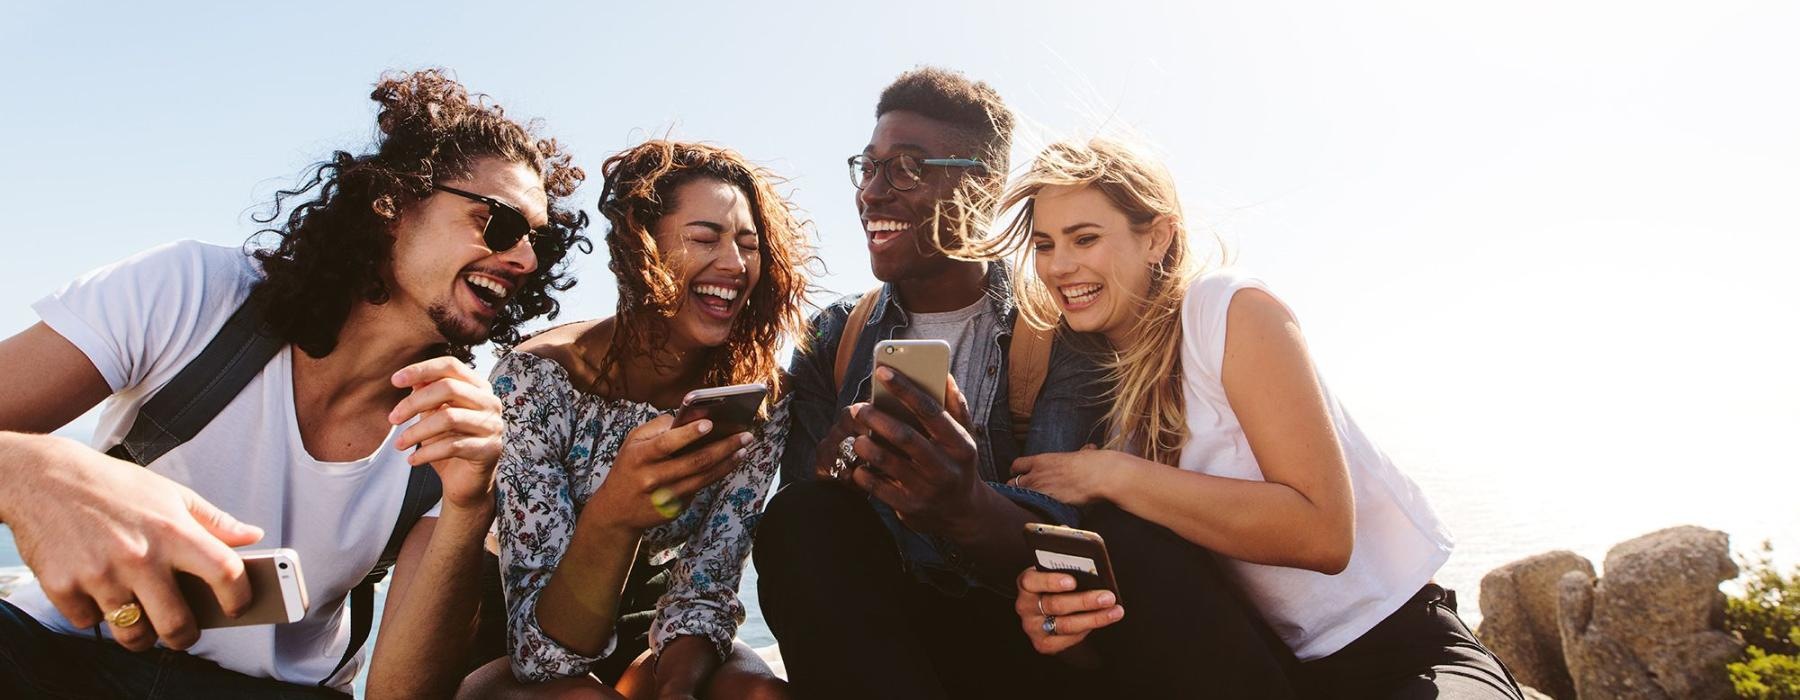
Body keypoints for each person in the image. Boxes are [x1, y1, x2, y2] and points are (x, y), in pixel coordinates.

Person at [0, 69, 589, 697]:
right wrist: (32, 469)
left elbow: (401, 693)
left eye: (540, 241)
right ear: (391, 203)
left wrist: (470, 507)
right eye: (499, 224)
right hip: (58, 653)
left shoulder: (455, 430)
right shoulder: (193, 293)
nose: (525, 259)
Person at [977, 138, 1523, 699]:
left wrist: (1116, 476)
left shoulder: (1227, 309)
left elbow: (1324, 535)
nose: (1060, 266)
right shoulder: (1099, 404)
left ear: (1157, 236)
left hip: (1402, 648)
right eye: (1044, 245)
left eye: (1084, 238)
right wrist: (1061, 621)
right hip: (1268, 668)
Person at [751, 67, 1114, 700]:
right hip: (884, 642)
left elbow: (1072, 541)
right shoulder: (834, 338)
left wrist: (964, 505)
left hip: (1022, 636)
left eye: (908, 168)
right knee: (800, 517)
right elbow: (806, 538)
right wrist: (837, 465)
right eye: (868, 168)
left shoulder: (1060, 330)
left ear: (984, 186)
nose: (873, 192)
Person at [457, 141, 811, 700]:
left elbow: (706, 586)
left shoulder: (757, 397)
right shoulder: (535, 381)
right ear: (637, 247)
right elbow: (542, 661)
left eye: (749, 245)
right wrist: (616, 513)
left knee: (758, 695)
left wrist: (675, 689)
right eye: (704, 238)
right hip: (520, 639)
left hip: (658, 639)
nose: (735, 265)